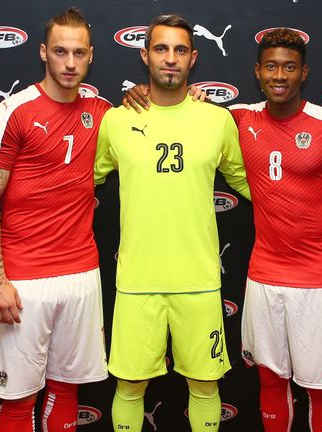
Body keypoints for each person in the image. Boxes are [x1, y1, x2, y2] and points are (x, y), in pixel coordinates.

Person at [94, 14, 251, 432]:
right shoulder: (115, 120)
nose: (170, 59)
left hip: (197, 279)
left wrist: (305, 199)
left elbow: (249, 183)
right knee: (129, 386)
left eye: (180, 50)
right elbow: (79, 182)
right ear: (145, 55)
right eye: (161, 49)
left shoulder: (217, 120)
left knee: (205, 384)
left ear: (193, 58)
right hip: (137, 280)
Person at [0, 8, 111, 432]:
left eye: (79, 53)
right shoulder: (14, 110)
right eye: (61, 52)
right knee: (18, 400)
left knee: (68, 390)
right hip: (25, 279)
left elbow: (158, 117)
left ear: (90, 56)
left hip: (82, 272)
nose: (70, 63)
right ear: (43, 53)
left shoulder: (103, 110)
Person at [230, 28, 322, 432]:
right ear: (258, 72)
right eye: (271, 66)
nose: (280, 76)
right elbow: (181, 110)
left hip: (318, 280)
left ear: (304, 72)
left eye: (289, 67)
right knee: (270, 380)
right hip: (263, 277)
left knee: (321, 387)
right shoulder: (238, 118)